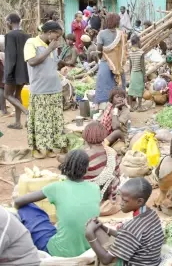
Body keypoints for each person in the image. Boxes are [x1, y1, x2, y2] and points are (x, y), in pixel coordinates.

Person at [14, 149, 101, 257]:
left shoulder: (56, 187)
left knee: (27, 207)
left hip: (60, 251)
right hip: (89, 247)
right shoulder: (95, 188)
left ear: (64, 165)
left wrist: (17, 208)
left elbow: (18, 201)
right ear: (87, 169)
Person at [85, 178, 166, 265]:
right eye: (121, 198)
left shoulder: (132, 228)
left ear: (139, 201)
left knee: (95, 232)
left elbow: (106, 260)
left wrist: (89, 235)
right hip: (151, 262)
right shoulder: (151, 214)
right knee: (98, 230)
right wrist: (103, 227)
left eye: (125, 201)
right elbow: (127, 236)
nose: (121, 203)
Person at [23, 21, 66, 159]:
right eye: (56, 36)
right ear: (49, 33)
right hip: (40, 89)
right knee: (41, 121)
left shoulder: (52, 47)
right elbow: (32, 62)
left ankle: (52, 147)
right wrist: (49, 49)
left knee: (54, 120)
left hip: (55, 88)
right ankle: (40, 149)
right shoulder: (31, 43)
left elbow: (52, 65)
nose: (57, 39)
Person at [82, 121, 121, 203]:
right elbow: (117, 174)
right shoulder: (112, 152)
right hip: (108, 194)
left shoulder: (84, 156)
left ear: (85, 136)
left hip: (91, 197)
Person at [3, 13, 30, 129]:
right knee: (17, 95)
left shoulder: (9, 35)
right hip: (24, 70)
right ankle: (17, 122)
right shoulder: (27, 35)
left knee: (7, 94)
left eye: (6, 22)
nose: (6, 24)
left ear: (9, 21)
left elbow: (10, 56)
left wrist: (7, 73)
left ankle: (27, 112)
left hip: (13, 71)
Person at [95, 13, 127, 108]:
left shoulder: (102, 33)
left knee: (103, 85)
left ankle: (104, 107)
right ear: (117, 22)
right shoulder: (121, 34)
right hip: (118, 65)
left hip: (106, 63)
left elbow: (99, 49)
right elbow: (124, 50)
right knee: (119, 85)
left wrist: (101, 58)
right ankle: (120, 105)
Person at [127, 35, 145, 111]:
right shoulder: (141, 52)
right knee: (140, 89)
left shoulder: (130, 52)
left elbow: (130, 65)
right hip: (139, 73)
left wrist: (130, 74)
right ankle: (139, 106)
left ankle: (131, 106)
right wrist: (145, 75)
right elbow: (142, 66)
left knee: (131, 90)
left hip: (133, 73)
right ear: (138, 42)